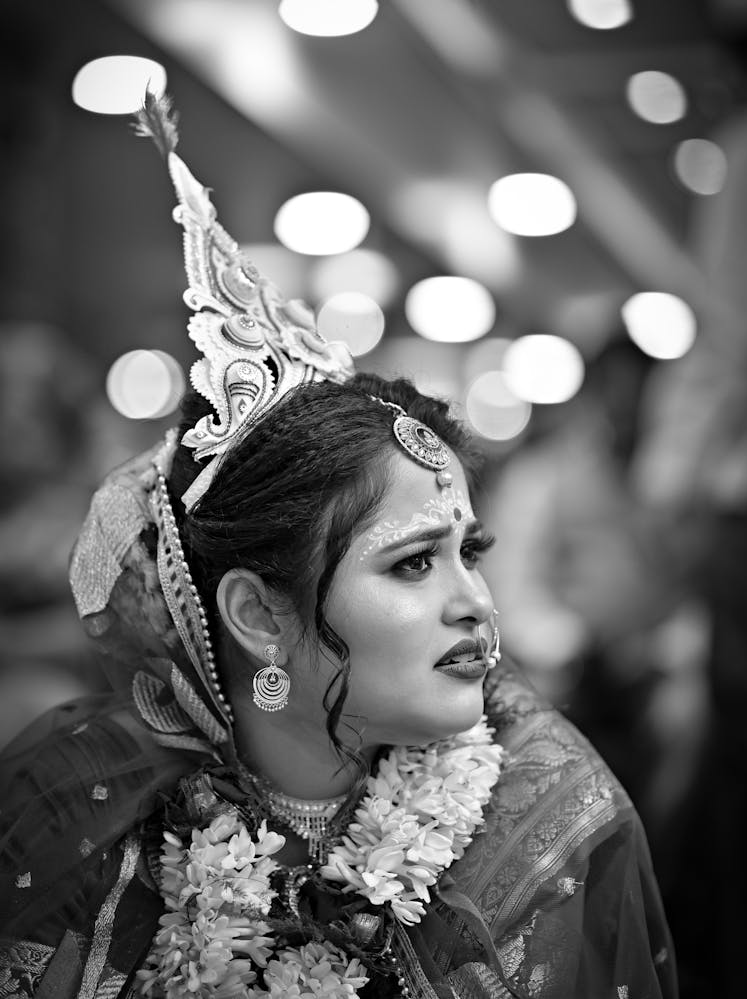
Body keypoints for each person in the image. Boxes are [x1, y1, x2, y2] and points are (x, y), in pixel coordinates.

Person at [0, 95, 677, 999]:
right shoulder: (92, 834)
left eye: (468, 551)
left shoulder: (548, 827)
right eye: (411, 562)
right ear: (256, 614)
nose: (476, 599)